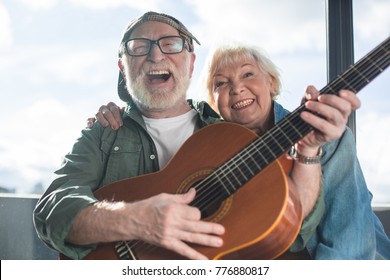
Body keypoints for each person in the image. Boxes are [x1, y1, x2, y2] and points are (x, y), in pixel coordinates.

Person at [34, 11, 358, 260]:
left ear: (190, 64)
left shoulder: (228, 134)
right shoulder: (103, 132)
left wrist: (308, 148)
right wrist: (134, 219)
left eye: (171, 45)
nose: (156, 56)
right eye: (139, 47)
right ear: (123, 69)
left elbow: (293, 229)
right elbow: (52, 210)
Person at [92, 40, 390, 259]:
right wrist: (115, 114)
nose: (236, 88)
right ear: (214, 101)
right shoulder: (211, 148)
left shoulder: (328, 135)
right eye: (221, 83)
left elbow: (351, 245)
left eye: (248, 74)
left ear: (271, 82)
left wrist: (308, 151)